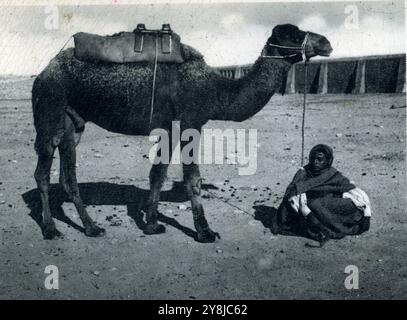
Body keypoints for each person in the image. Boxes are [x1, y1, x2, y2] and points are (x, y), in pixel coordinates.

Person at [271, 144, 371, 245]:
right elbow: (291, 192)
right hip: (307, 207)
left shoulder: (332, 174)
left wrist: (364, 207)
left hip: (327, 205)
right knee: (313, 205)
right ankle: (325, 229)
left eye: (319, 159)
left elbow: (349, 188)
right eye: (313, 158)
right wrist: (299, 193)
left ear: (328, 161)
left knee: (350, 205)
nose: (315, 162)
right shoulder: (304, 172)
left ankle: (334, 226)